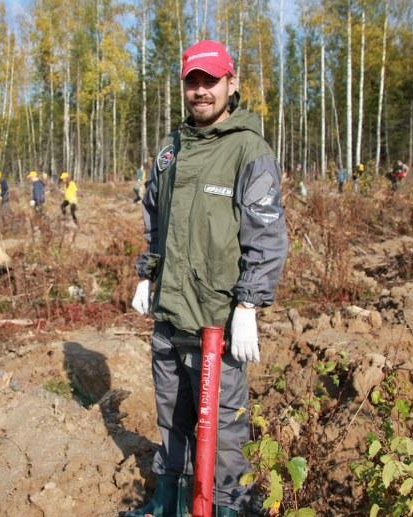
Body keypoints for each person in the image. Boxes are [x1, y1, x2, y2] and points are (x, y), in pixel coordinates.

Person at [129, 39, 288, 517]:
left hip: (217, 321)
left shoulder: (247, 150)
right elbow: (156, 218)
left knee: (221, 431)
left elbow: (266, 234)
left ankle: (224, 507)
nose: (201, 91)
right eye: (193, 81)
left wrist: (248, 306)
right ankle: (170, 500)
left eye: (211, 81)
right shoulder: (169, 151)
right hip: (170, 316)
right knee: (172, 418)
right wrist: (147, 274)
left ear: (231, 84)